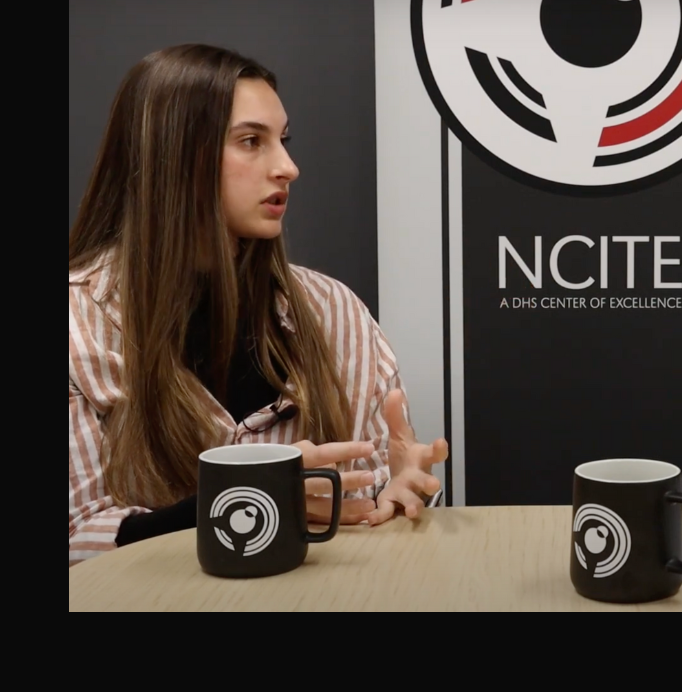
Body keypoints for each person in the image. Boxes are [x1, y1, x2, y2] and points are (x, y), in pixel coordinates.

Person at [69, 44, 449, 568]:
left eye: (284, 141)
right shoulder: (75, 325)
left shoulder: (333, 311)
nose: (288, 168)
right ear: (173, 156)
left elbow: (368, 506)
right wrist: (248, 497)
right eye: (251, 141)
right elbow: (76, 539)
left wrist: (397, 493)